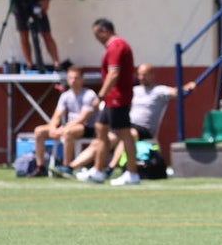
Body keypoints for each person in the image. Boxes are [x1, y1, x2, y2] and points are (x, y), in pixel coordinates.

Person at [54, 63, 195, 178]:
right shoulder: (134, 90)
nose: (141, 77)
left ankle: (110, 168)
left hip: (144, 129)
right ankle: (71, 167)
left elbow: (176, 92)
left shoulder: (159, 90)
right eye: (139, 74)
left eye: (145, 74)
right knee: (101, 140)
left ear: (152, 75)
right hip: (126, 124)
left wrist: (188, 87)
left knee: (127, 134)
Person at [75, 19, 139, 186]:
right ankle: (97, 170)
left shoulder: (116, 46)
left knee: (124, 134)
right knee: (101, 129)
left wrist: (101, 95)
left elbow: (113, 74)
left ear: (105, 31)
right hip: (112, 98)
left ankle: (132, 173)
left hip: (117, 97)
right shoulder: (114, 46)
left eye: (97, 34)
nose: (97, 38)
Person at [29, 66, 98, 177]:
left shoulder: (89, 94)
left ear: (82, 79)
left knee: (68, 132)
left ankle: (66, 167)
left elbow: (83, 118)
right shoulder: (65, 95)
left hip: (86, 128)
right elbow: (57, 115)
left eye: (76, 78)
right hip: (67, 126)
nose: (73, 81)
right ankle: (40, 167)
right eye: (70, 78)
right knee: (39, 131)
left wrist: (63, 129)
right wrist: (52, 128)